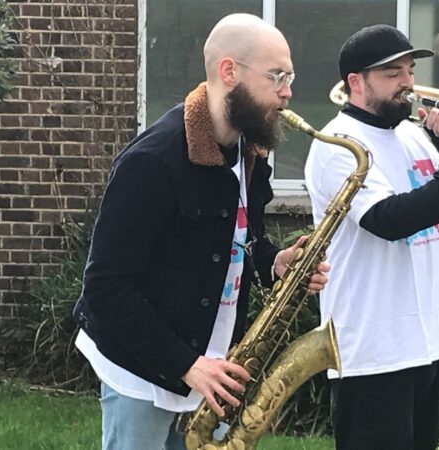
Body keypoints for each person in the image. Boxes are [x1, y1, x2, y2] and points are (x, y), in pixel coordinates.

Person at [72, 13, 330, 450]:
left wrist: (273, 263)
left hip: (212, 367)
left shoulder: (250, 151)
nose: (288, 92)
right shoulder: (153, 162)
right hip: (144, 372)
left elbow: (243, 238)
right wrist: (187, 364)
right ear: (229, 71)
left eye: (290, 76)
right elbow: (106, 289)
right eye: (277, 76)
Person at [304, 24, 439, 450]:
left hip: (429, 341)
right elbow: (388, 220)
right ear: (356, 83)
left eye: (410, 71)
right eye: (392, 73)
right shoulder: (338, 144)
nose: (408, 83)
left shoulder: (413, 134)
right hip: (374, 348)